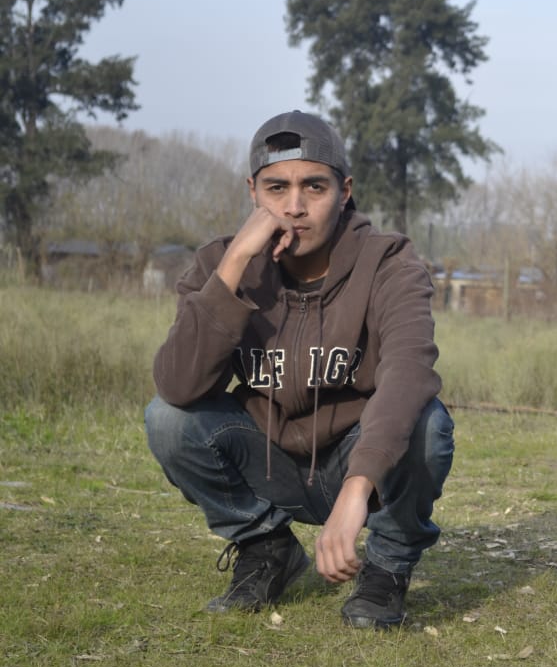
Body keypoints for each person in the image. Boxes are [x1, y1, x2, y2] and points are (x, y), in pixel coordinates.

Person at [145, 110, 454, 629]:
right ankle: (267, 549)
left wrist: (358, 488)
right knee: (167, 418)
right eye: (275, 188)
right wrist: (237, 262)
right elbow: (178, 385)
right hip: (268, 461)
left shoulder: (389, 264)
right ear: (252, 193)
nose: (293, 207)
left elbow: (408, 372)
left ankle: (385, 569)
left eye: (314, 187)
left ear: (345, 190)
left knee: (427, 424)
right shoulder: (221, 264)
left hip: (358, 464)